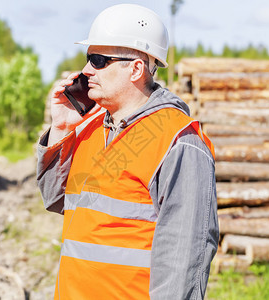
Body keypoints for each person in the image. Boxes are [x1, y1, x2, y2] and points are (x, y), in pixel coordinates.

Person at [37, 4, 219, 299]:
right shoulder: (91, 127)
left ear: (135, 68)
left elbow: (186, 258)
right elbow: (56, 200)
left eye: (98, 61)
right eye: (88, 59)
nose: (85, 71)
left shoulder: (178, 140)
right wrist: (61, 128)